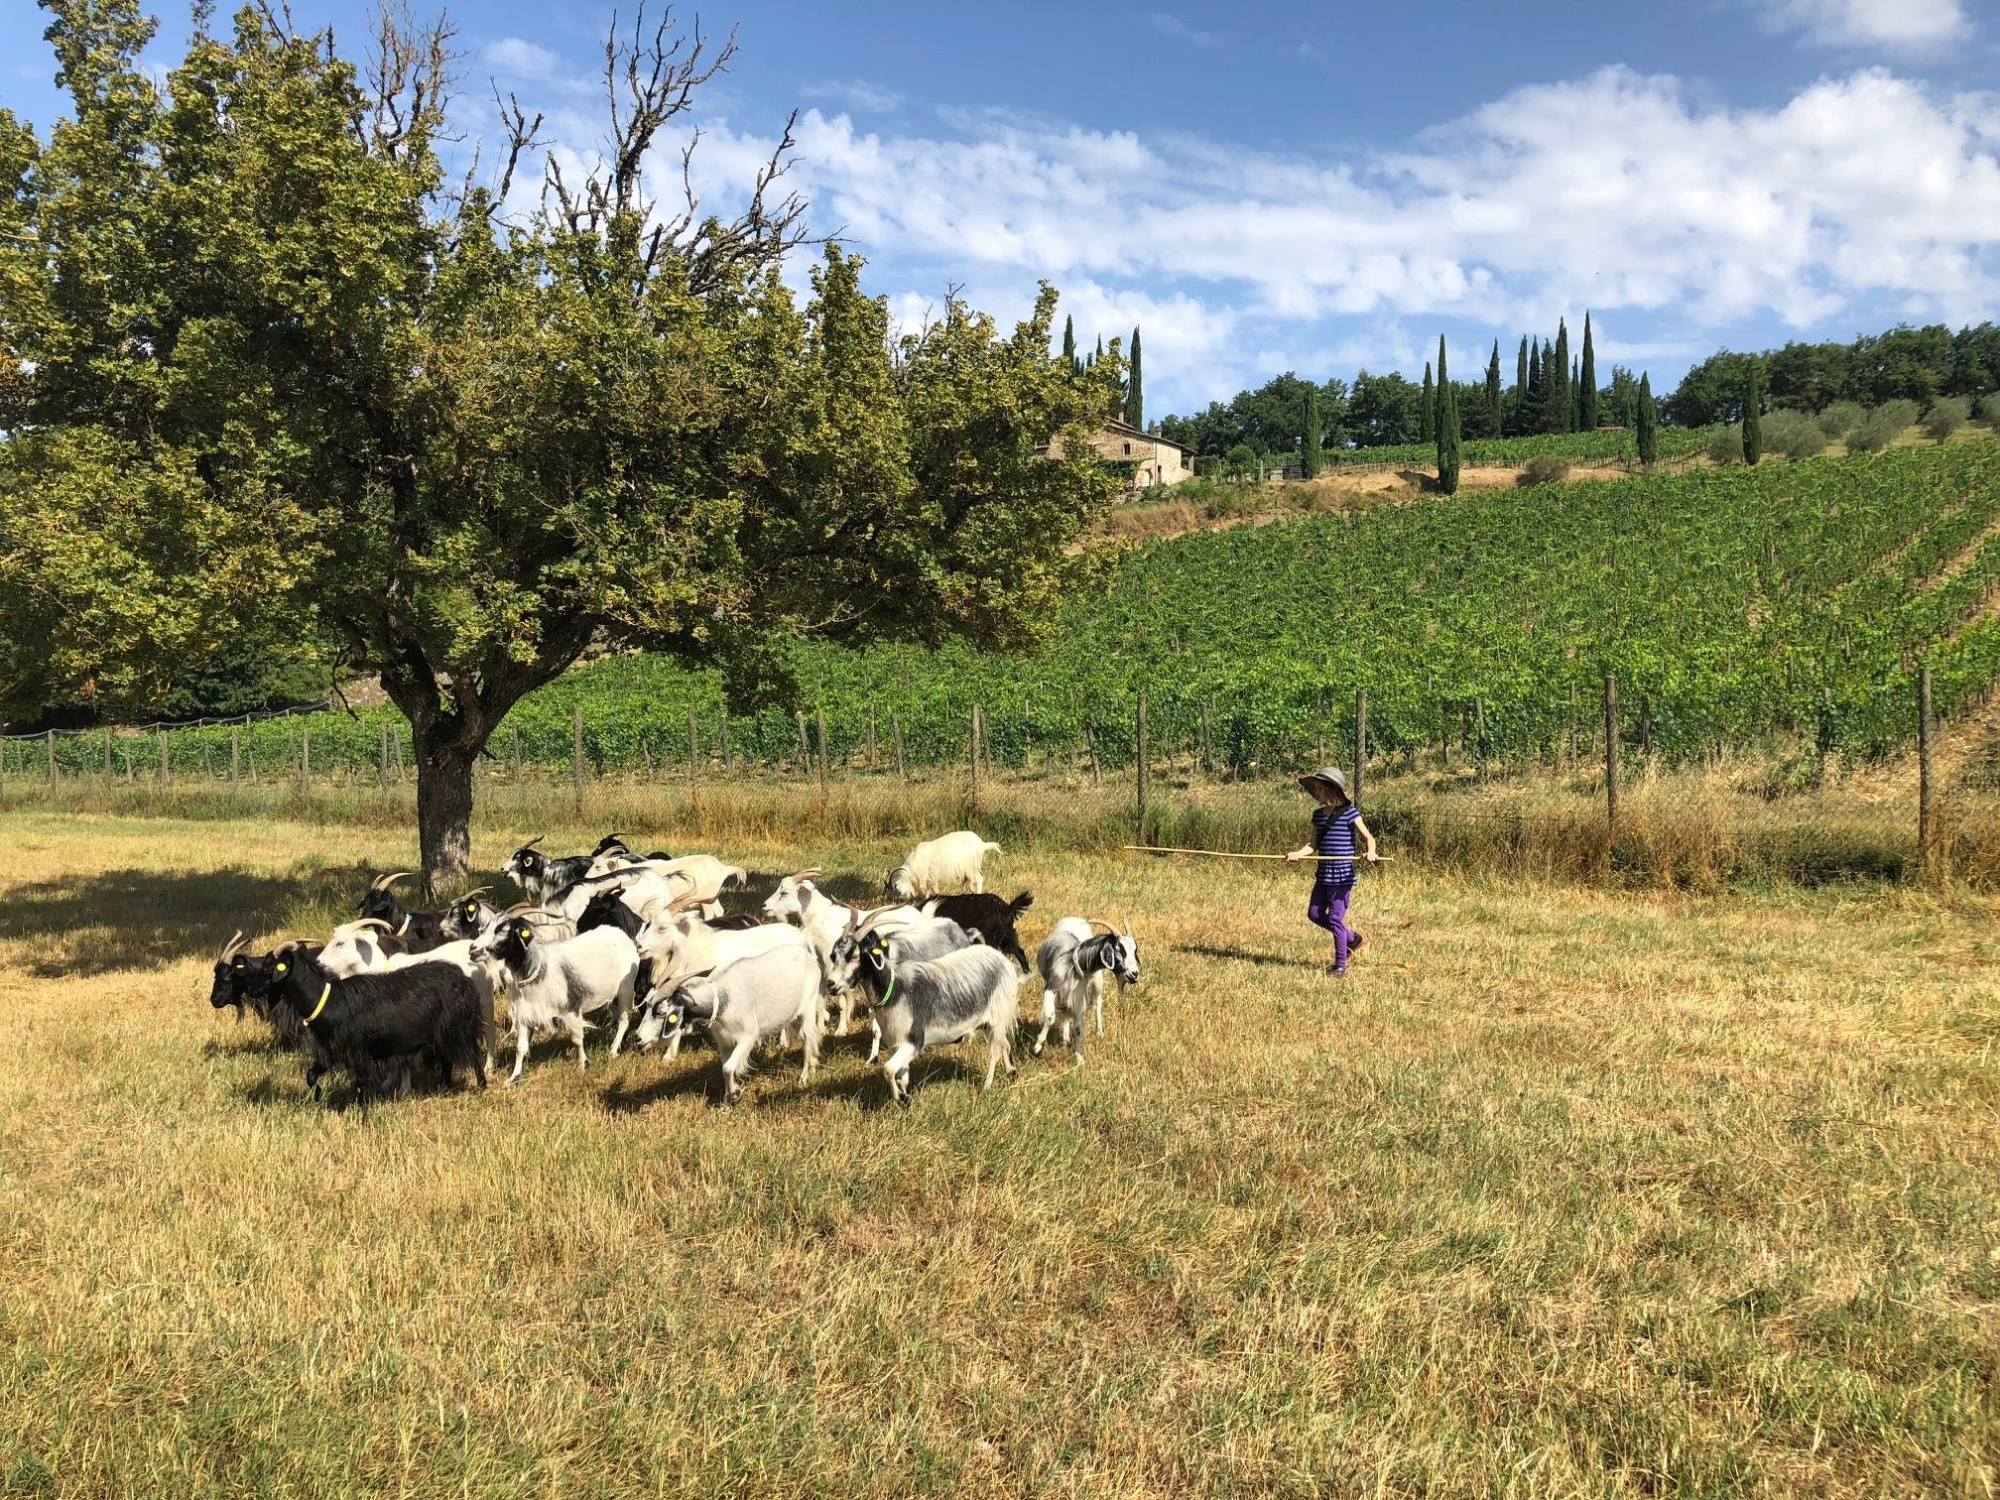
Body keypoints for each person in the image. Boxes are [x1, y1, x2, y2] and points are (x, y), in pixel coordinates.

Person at [1285, 766, 1377, 975]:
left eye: (1319, 789)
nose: (1316, 793)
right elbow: (1312, 844)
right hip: (1323, 875)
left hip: (1342, 876)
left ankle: (1340, 965)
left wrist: (1370, 852)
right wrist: (1298, 854)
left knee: (1335, 919)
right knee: (1315, 913)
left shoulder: (1350, 813)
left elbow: (1368, 838)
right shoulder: (1317, 816)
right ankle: (1353, 939)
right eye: (1315, 789)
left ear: (1331, 789)